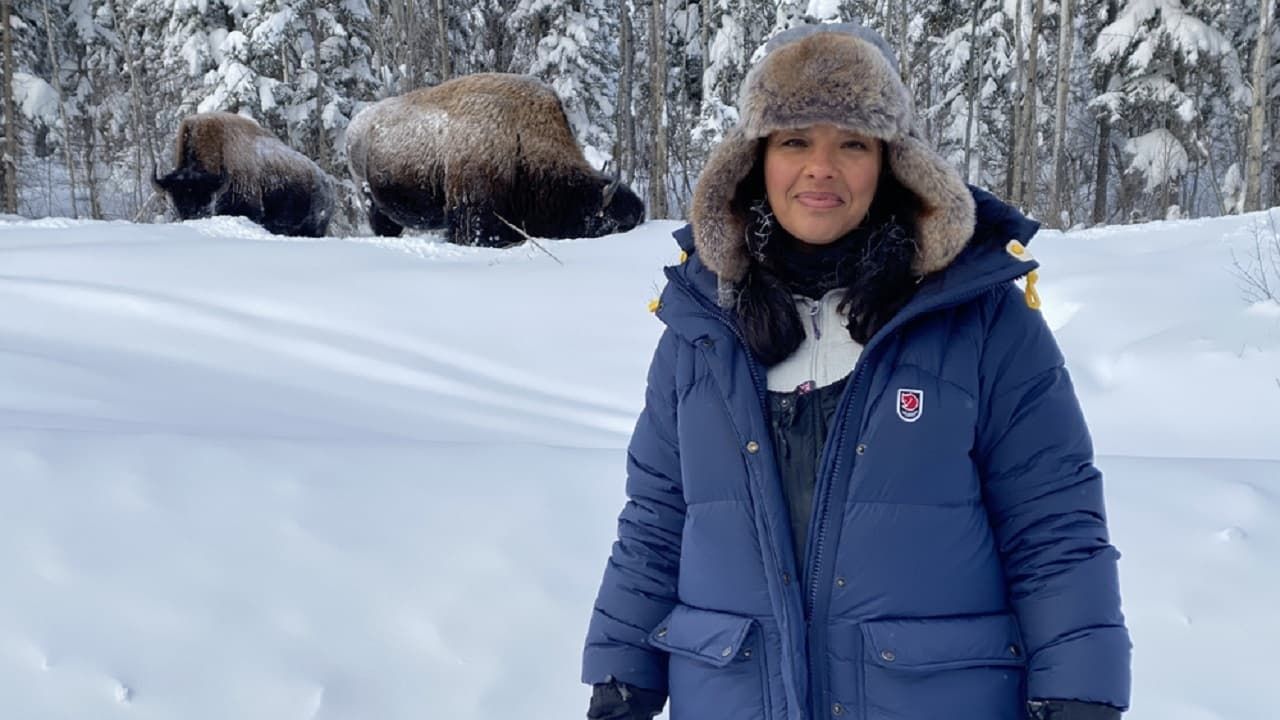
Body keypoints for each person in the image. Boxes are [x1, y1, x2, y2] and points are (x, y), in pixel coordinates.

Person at [581, 22, 1131, 720]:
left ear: (890, 162)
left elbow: (1053, 523)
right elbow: (660, 518)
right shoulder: (701, 326)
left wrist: (1079, 693)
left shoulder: (981, 318)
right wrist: (622, 673)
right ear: (756, 162)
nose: (821, 167)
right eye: (794, 141)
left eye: (851, 142)